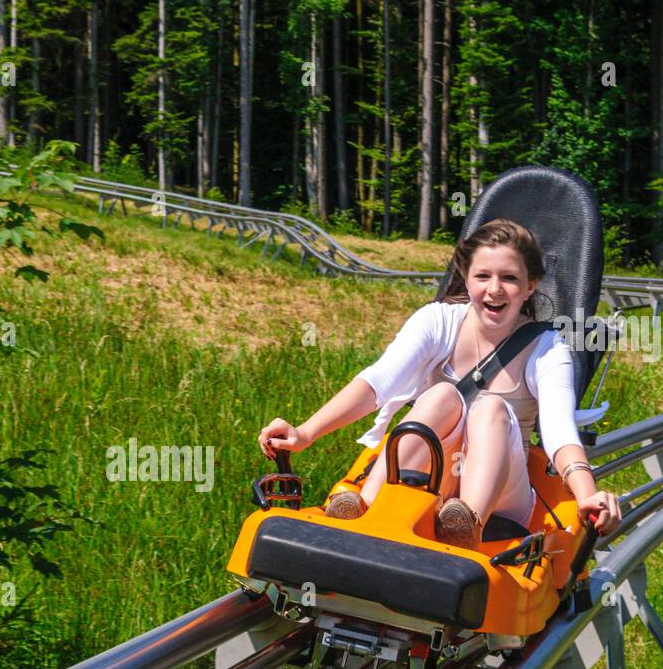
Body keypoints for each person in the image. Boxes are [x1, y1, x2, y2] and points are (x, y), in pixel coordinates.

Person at [257, 218, 622, 550]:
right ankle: (363, 509)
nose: (495, 290)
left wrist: (587, 494)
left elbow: (560, 431)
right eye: (483, 277)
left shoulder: (546, 348)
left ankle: (467, 527)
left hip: (503, 495)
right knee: (442, 396)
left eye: (509, 278)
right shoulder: (438, 321)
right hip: (435, 473)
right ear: (465, 276)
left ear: (531, 286)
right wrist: (305, 433)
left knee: (491, 407)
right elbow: (379, 381)